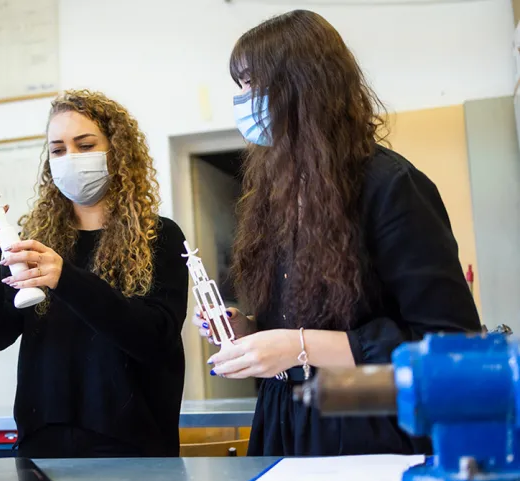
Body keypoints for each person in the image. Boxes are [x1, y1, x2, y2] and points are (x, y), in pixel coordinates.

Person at [196, 10, 481, 456]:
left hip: (368, 429)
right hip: (286, 422)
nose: (244, 101)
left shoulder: (390, 186)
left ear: (304, 85)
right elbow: (295, 324)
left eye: (254, 84)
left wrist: (299, 346)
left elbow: (449, 342)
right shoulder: (277, 194)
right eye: (241, 88)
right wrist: (249, 329)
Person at [0, 90, 189, 458]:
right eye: (58, 149)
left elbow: (154, 337)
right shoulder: (38, 239)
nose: (70, 158)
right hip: (43, 446)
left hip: (131, 450)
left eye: (84, 145)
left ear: (117, 152)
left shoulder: (159, 236)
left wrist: (65, 278)